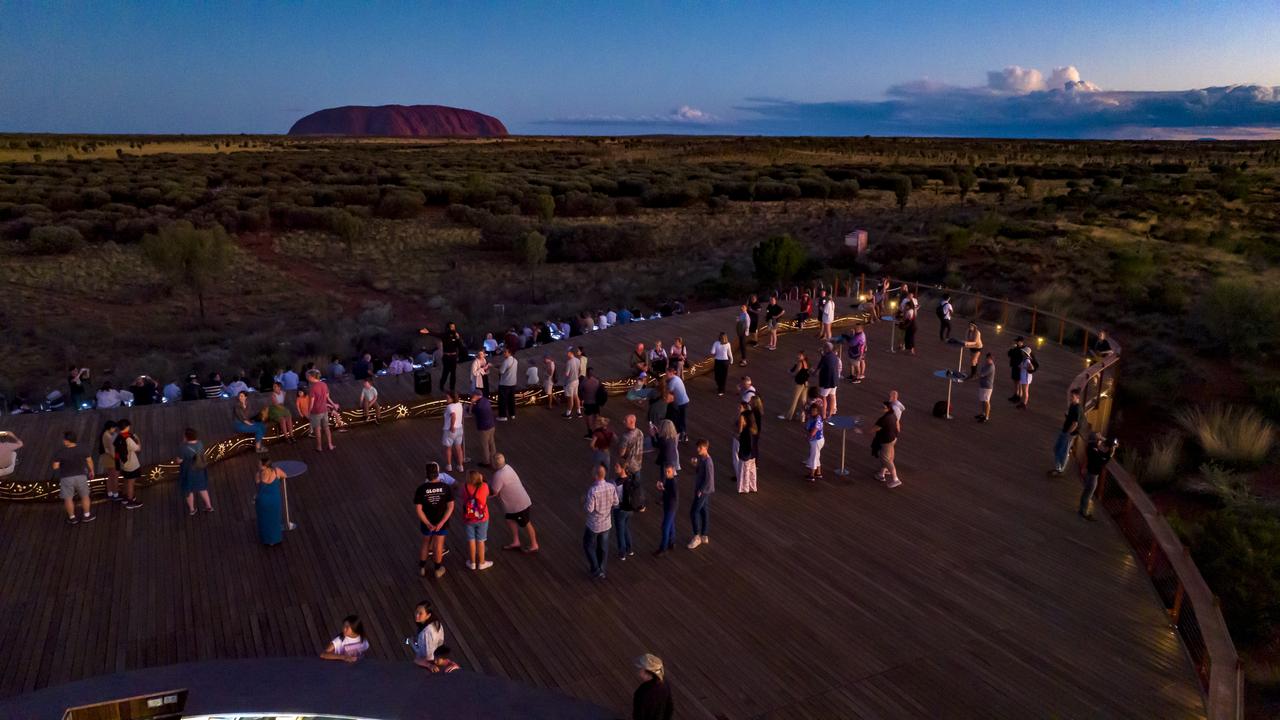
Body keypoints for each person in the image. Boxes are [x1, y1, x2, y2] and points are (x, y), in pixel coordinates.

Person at [491, 454, 539, 553]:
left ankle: (534, 544)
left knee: (526, 523)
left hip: (518, 505)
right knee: (510, 520)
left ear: (495, 463)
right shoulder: (508, 467)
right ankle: (516, 541)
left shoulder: (499, 475)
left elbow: (494, 492)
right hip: (515, 504)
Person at [415, 462, 454, 578]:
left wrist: (427, 523)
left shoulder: (421, 489)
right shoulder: (445, 487)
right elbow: (450, 507)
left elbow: (418, 509)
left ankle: (422, 567)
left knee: (426, 542)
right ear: (438, 473)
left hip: (427, 521)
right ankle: (437, 569)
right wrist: (442, 522)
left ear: (427, 474)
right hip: (441, 521)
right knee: (438, 545)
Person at [583, 464, 620, 579]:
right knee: (603, 547)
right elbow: (616, 503)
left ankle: (596, 569)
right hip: (606, 523)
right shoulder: (611, 487)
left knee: (588, 545)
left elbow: (589, 509)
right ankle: (602, 569)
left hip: (593, 524)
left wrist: (584, 501)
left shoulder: (593, 491)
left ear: (595, 475)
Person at [53, 431, 94, 524]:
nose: (63, 441)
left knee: (68, 498)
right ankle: (87, 515)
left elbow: (55, 466)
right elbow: (89, 461)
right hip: (81, 476)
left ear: (67, 441)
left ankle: (72, 517)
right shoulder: (83, 449)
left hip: (66, 478)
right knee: (85, 496)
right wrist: (92, 471)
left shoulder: (61, 452)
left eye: (64, 439)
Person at [461, 470, 493, 571]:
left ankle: (472, 563)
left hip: (468, 518)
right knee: (481, 540)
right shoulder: (484, 486)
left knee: (471, 540)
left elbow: (463, 498)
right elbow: (488, 494)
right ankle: (482, 563)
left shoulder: (465, 487)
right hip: (482, 517)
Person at [1081, 434, 1117, 520]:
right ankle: (1084, 512)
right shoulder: (1104, 456)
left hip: (1088, 472)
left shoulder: (1092, 449)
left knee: (1086, 492)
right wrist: (1111, 446)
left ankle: (1082, 510)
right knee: (1088, 494)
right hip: (1093, 476)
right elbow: (1109, 454)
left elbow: (1095, 446)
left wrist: (1101, 440)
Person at [177, 428, 212, 516]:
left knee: (188, 490)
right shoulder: (200, 443)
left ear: (186, 437)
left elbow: (180, 460)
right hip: (199, 470)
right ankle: (209, 506)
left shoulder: (183, 447)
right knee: (202, 488)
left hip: (188, 472)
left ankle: (192, 509)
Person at [612, 460, 643, 561]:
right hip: (630, 509)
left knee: (620, 531)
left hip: (620, 509)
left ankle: (622, 552)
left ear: (622, 469)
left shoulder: (617, 483)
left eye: (617, 466)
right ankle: (630, 549)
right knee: (626, 528)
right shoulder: (630, 480)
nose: (615, 468)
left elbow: (615, 498)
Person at [688, 438, 715, 547]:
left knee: (693, 512)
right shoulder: (703, 459)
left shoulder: (708, 462)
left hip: (703, 491)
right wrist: (696, 465)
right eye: (698, 447)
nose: (698, 449)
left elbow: (709, 479)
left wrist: (701, 490)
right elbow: (700, 473)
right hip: (703, 490)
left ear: (706, 448)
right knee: (704, 511)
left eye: (700, 447)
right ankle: (704, 534)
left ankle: (696, 536)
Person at [633, 653, 674, 720]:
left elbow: (639, 716)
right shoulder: (664, 684)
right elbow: (669, 707)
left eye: (640, 668)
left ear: (647, 672)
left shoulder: (642, 693)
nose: (638, 670)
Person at [113, 419, 144, 508]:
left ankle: (125, 497)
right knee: (131, 483)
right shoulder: (128, 439)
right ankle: (130, 501)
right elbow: (138, 448)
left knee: (126, 480)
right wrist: (138, 439)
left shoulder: (118, 437)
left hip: (123, 464)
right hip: (131, 464)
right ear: (127, 427)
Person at [254, 456, 285, 546]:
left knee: (264, 520)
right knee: (275, 519)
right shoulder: (276, 471)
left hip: (263, 500)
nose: (258, 465)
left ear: (264, 466)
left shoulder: (258, 474)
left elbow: (257, 483)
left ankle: (267, 540)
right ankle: (276, 538)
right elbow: (284, 475)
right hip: (275, 499)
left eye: (259, 464)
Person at [1052, 389, 1083, 475]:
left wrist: (1068, 433)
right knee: (1056, 449)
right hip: (1065, 430)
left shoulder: (1077, 408)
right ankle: (1058, 467)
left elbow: (1075, 424)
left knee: (1062, 451)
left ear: (1078, 397)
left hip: (1069, 433)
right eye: (1070, 396)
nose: (1070, 398)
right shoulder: (1072, 405)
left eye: (1072, 397)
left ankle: (1060, 469)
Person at [872, 400, 902, 488]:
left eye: (883, 407)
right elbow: (898, 427)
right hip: (893, 438)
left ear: (888, 408)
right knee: (889, 456)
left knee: (885, 459)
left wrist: (862, 431)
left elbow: (874, 429)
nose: (882, 409)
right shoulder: (893, 416)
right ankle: (881, 474)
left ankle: (895, 479)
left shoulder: (884, 419)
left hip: (886, 441)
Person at [306, 369, 336, 452]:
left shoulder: (313, 388)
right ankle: (330, 445)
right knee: (326, 427)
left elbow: (311, 403)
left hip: (316, 411)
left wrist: (308, 412)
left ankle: (319, 446)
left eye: (308, 376)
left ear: (312, 377)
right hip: (324, 410)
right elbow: (327, 397)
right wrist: (333, 405)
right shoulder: (324, 384)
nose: (307, 378)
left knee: (317, 429)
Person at [654, 464, 679, 556]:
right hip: (668, 505)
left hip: (671, 507)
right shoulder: (669, 480)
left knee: (665, 527)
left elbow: (674, 496)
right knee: (671, 523)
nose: (666, 474)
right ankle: (672, 542)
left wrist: (663, 490)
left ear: (673, 471)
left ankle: (663, 548)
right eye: (665, 472)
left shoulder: (673, 482)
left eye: (668, 472)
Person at [410, 601, 445, 667]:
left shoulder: (426, 632)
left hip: (427, 665)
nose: (417, 615)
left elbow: (427, 656)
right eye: (416, 612)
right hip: (437, 659)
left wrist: (412, 643)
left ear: (428, 615)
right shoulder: (437, 624)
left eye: (420, 613)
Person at [780, 351, 811, 421]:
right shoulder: (807, 363)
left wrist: (790, 374)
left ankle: (788, 415)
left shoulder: (800, 363)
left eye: (800, 355)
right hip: (805, 383)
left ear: (803, 356)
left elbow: (796, 372)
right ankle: (802, 416)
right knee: (803, 401)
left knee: (794, 399)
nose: (798, 356)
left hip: (799, 383)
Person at [734, 403, 757, 493]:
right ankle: (752, 486)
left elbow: (740, 432)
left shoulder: (746, 431)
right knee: (751, 470)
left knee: (744, 469)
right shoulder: (752, 429)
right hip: (752, 452)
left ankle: (744, 488)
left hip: (746, 452)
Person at [470, 390, 497, 467]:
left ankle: (486, 462)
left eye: (473, 395)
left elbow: (470, 411)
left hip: (484, 428)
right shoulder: (486, 400)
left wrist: (472, 403)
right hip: (491, 425)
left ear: (476, 396)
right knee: (491, 442)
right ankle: (493, 458)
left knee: (484, 445)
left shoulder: (478, 406)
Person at [97, 420, 121, 501]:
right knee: (115, 478)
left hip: (106, 459)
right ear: (110, 428)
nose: (114, 430)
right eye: (114, 428)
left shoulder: (104, 434)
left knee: (110, 477)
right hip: (112, 460)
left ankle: (110, 493)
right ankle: (116, 494)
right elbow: (112, 452)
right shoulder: (109, 437)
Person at [442, 392, 465, 472]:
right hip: (459, 429)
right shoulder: (459, 405)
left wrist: (452, 426)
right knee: (459, 448)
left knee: (448, 448)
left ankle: (449, 465)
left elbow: (453, 416)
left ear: (452, 398)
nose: (446, 399)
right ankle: (460, 466)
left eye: (448, 398)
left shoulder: (449, 407)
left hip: (450, 430)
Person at [437, 321, 463, 392]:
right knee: (445, 372)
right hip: (446, 356)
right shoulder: (444, 335)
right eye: (452, 327)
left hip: (453, 357)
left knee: (453, 373)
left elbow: (460, 346)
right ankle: (441, 386)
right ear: (448, 328)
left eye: (454, 327)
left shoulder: (455, 335)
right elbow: (436, 334)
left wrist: (458, 338)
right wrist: (428, 332)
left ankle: (452, 388)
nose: (453, 328)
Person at [665, 367, 689, 441]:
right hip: (684, 401)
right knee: (681, 419)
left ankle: (682, 435)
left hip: (681, 403)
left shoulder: (673, 382)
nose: (666, 375)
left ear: (671, 373)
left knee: (679, 419)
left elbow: (668, 392)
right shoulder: (676, 378)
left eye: (667, 374)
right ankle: (683, 434)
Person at [580, 367, 605, 438]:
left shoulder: (584, 382)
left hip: (588, 402)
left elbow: (581, 391)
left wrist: (582, 398)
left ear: (586, 373)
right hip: (596, 402)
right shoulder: (597, 381)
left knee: (588, 418)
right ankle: (600, 430)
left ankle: (590, 433)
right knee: (597, 416)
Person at [817, 342, 839, 419]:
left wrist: (814, 372)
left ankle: (823, 415)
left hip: (826, 381)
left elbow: (820, 365)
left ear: (826, 348)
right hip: (834, 380)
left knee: (823, 397)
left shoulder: (826, 357)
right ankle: (830, 414)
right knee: (832, 396)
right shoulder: (835, 356)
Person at [804, 403, 825, 482]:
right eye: (812, 410)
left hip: (816, 440)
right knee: (816, 456)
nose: (813, 412)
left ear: (817, 411)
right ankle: (818, 472)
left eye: (814, 411)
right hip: (816, 440)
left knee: (813, 457)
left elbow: (814, 431)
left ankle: (812, 475)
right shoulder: (812, 418)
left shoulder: (817, 420)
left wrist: (808, 437)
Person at [497, 348, 518, 421]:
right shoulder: (515, 360)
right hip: (513, 383)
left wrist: (498, 368)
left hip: (505, 383)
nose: (504, 353)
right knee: (511, 399)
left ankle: (503, 416)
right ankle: (512, 414)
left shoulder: (506, 361)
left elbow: (501, 371)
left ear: (509, 353)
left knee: (503, 400)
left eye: (505, 352)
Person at [975, 353, 996, 422]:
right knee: (983, 401)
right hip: (983, 385)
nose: (986, 359)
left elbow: (982, 374)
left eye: (988, 358)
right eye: (986, 358)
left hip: (987, 387)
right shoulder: (986, 365)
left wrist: (974, 376)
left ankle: (986, 417)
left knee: (986, 401)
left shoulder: (991, 366)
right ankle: (983, 414)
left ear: (991, 359)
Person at [562, 347, 582, 419]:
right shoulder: (578, 360)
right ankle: (579, 412)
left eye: (568, 352)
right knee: (576, 396)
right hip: (576, 381)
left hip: (570, 382)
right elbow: (580, 371)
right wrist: (577, 376)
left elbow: (566, 374)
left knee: (570, 399)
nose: (567, 354)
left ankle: (568, 414)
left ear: (571, 353)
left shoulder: (569, 362)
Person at [1006, 337, 1027, 402]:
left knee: (1019, 382)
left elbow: (1023, 357)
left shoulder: (1024, 349)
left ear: (1021, 342)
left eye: (1017, 341)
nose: (1016, 343)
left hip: (1019, 368)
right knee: (1015, 382)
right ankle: (1015, 395)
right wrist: (1012, 348)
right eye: (1016, 341)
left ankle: (1019, 396)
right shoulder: (1015, 348)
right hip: (1014, 366)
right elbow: (1009, 354)